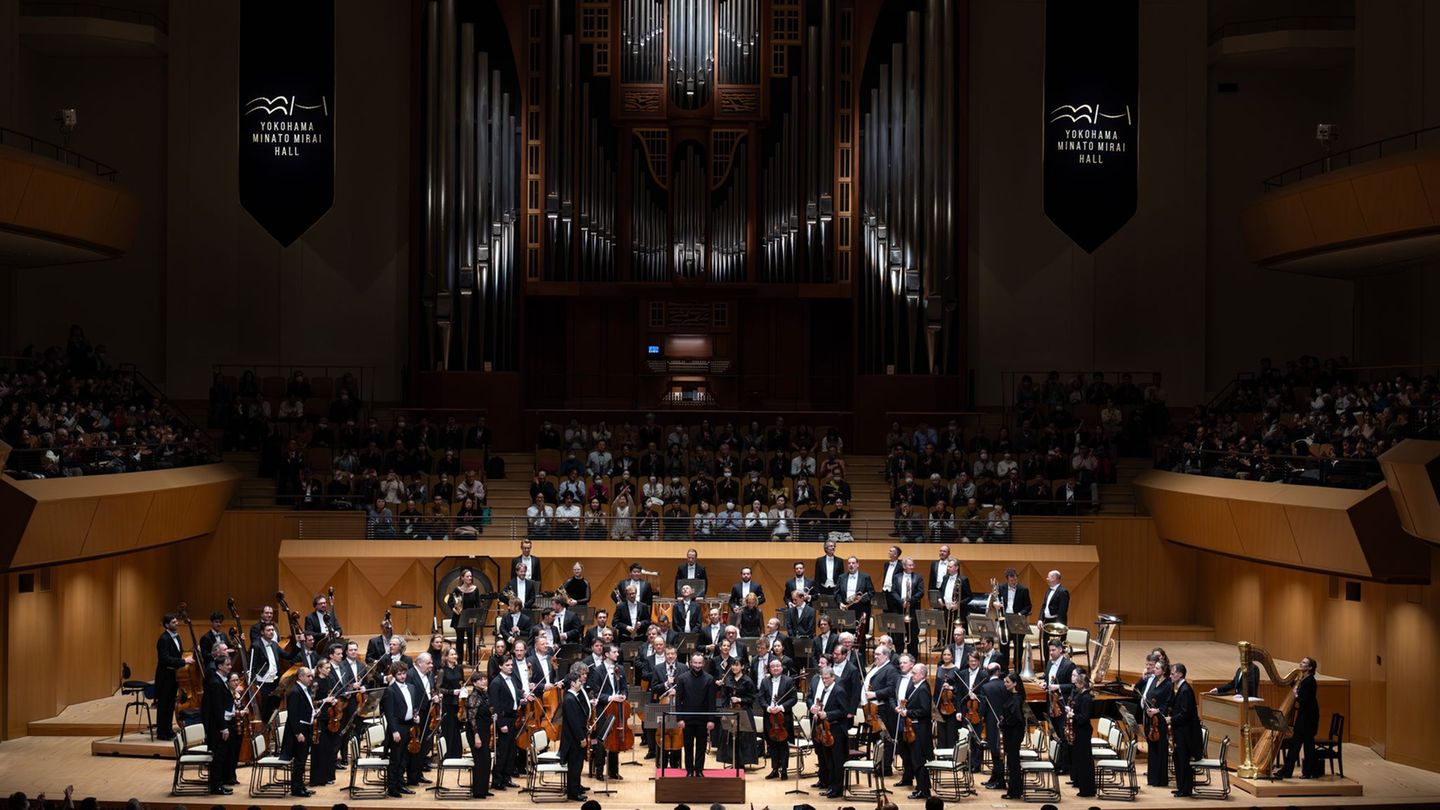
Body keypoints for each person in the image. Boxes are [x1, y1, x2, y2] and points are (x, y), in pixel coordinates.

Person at [811, 666, 853, 798]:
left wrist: (827, 715)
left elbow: (844, 711)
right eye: (822, 678)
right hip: (827, 730)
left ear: (833, 678)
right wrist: (818, 714)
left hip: (837, 731)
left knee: (837, 760)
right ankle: (831, 786)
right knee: (829, 760)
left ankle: (837, 789)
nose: (824, 681)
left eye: (826, 678)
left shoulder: (839, 691)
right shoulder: (825, 691)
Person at [676, 652, 718, 777]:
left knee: (701, 746)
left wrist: (711, 719)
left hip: (703, 719)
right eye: (695, 663)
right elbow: (678, 700)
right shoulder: (682, 678)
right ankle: (689, 770)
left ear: (703, 664)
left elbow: (712, 701)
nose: (697, 665)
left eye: (700, 663)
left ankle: (699, 770)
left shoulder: (709, 679)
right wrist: (679, 718)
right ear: (690, 663)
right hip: (687, 719)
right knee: (688, 746)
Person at [201, 652, 238, 794]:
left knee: (222, 756)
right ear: (220, 666)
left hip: (221, 724)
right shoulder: (216, 683)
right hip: (217, 726)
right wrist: (223, 728)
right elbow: (217, 708)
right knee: (218, 757)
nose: (230, 667)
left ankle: (219, 783)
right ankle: (216, 786)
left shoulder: (221, 680)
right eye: (227, 665)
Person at [1278, 656, 1321, 779]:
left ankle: (1308, 772)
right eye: (1301, 662)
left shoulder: (1310, 681)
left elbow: (1304, 700)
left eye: (1304, 662)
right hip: (1304, 716)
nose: (1301, 664)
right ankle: (1287, 771)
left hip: (1309, 717)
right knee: (1295, 744)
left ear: (1310, 667)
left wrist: (1296, 694)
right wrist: (1290, 682)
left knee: (1307, 746)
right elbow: (1298, 689)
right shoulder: (1303, 679)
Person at [281, 666, 319, 797]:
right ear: (300, 677)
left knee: (302, 760)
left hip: (306, 728)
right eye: (308, 676)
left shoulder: (303, 689)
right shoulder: (295, 692)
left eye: (311, 676)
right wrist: (298, 733)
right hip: (300, 731)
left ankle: (301, 786)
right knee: (299, 761)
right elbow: (293, 715)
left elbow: (304, 709)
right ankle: (296, 789)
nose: (311, 678)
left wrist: (313, 713)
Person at [381, 663, 419, 797]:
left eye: (404, 673)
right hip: (398, 727)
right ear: (394, 675)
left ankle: (401, 784)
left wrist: (416, 715)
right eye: (399, 674)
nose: (402, 676)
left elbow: (413, 706)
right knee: (396, 759)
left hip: (409, 726)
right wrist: (394, 731)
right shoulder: (390, 690)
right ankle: (392, 787)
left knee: (405, 758)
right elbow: (389, 714)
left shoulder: (411, 687)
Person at [899, 663, 934, 800]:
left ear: (922, 675)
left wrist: (908, 712)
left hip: (920, 730)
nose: (912, 675)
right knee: (916, 759)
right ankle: (921, 787)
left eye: (914, 673)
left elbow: (925, 710)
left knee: (919, 760)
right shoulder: (917, 687)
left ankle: (923, 790)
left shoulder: (923, 688)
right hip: (914, 729)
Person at [1137, 654, 1172, 787]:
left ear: (1163, 671)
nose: (1154, 670)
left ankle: (1160, 779)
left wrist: (1157, 711)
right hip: (1151, 719)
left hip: (1160, 720)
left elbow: (1168, 703)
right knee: (1152, 748)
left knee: (1160, 748)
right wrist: (1148, 709)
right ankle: (1152, 778)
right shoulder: (1154, 680)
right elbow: (1148, 696)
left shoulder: (1168, 684)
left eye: (1157, 668)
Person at [758, 657, 796, 779]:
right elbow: (761, 698)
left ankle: (784, 770)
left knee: (783, 744)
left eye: (778, 666)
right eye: (773, 666)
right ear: (769, 669)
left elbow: (793, 699)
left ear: (782, 668)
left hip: (783, 717)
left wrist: (780, 707)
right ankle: (774, 769)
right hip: (769, 717)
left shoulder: (788, 681)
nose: (775, 668)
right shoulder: (765, 681)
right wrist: (768, 708)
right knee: (772, 743)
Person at [1041, 640, 1076, 774]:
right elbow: (1048, 680)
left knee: (1064, 736)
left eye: (1053, 650)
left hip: (1062, 705)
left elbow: (1073, 685)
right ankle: (1057, 763)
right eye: (1050, 650)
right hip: (1052, 704)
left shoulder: (1069, 665)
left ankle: (1065, 766)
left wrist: (1058, 686)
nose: (1051, 653)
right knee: (1056, 736)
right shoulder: (1049, 663)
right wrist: (1045, 684)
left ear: (1060, 650)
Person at [489, 656, 522, 791]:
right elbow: (495, 705)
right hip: (504, 720)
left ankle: (507, 777)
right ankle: (497, 780)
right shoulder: (496, 683)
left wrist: (521, 700)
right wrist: (501, 723)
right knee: (502, 751)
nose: (510, 667)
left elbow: (514, 697)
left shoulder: (512, 679)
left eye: (511, 665)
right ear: (500, 666)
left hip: (513, 718)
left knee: (511, 751)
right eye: (507, 665)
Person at [1170, 663, 1203, 798]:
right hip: (1181, 733)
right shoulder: (1182, 688)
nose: (1171, 676)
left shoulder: (1185, 690)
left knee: (1184, 761)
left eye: (1172, 673)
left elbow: (1185, 714)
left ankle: (1185, 789)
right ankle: (1181, 787)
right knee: (1179, 759)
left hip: (1186, 734)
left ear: (1180, 674)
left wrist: (1171, 720)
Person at [991, 567, 1032, 673]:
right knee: (1004, 646)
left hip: (1017, 619)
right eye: (1011, 580)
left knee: (1018, 647)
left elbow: (1028, 606)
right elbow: (994, 601)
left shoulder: (1023, 589)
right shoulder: (1001, 588)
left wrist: (1020, 614)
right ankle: (1004, 670)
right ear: (1007, 579)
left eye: (1015, 580)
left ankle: (1017, 670)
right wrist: (994, 604)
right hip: (1004, 619)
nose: (1014, 582)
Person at [559, 672, 592, 800]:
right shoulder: (569, 699)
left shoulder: (572, 697)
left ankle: (576, 788)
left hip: (576, 738)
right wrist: (581, 738)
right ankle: (573, 793)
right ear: (572, 684)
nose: (581, 683)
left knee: (578, 766)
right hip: (573, 740)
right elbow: (574, 722)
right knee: (575, 766)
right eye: (579, 681)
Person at [154, 613, 186, 741]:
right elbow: (165, 659)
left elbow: (179, 653)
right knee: (164, 705)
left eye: (176, 621)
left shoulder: (176, 636)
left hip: (173, 675)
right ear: (167, 625)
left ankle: (168, 730)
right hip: (165, 676)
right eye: (173, 622)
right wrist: (183, 662)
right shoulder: (163, 639)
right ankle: (162, 732)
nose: (176, 623)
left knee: (170, 705)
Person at [1067, 668, 1096, 798]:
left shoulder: (1086, 698)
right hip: (1079, 731)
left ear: (1082, 684)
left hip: (1083, 732)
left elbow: (1084, 717)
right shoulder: (1081, 695)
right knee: (1080, 760)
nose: (1075, 686)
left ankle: (1088, 789)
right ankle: (1083, 786)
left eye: (1077, 684)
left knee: (1085, 761)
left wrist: (1072, 715)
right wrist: (1070, 710)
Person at [464, 670, 493, 798]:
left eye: (485, 679)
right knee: (481, 761)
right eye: (480, 680)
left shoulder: (484, 694)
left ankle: (484, 789)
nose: (484, 681)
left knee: (486, 760)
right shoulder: (474, 696)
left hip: (484, 731)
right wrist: (476, 736)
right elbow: (471, 718)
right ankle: (478, 791)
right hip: (476, 732)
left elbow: (487, 710)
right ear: (474, 683)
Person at [998, 671, 1025, 799]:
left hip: (1014, 735)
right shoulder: (1012, 696)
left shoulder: (1016, 698)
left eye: (1007, 682)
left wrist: (1003, 723)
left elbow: (1015, 719)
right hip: (1011, 733)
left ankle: (1014, 792)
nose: (1005, 684)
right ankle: (1014, 790)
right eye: (1005, 681)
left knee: (1013, 763)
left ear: (1014, 683)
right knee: (1011, 762)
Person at [446, 569, 481, 665]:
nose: (470, 578)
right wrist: (453, 609)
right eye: (467, 576)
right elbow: (450, 601)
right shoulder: (457, 589)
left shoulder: (475, 589)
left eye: (471, 576)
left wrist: (477, 615)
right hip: (459, 617)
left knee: (471, 640)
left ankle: (472, 661)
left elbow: (478, 605)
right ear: (462, 578)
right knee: (460, 640)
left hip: (470, 618)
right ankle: (459, 662)